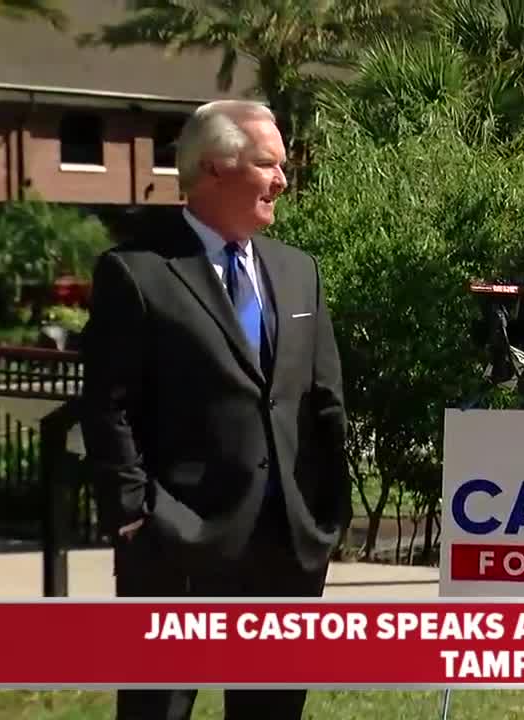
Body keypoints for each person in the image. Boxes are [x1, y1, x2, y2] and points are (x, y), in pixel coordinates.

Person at [80, 100, 352, 720]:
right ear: (214, 169)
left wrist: (327, 514)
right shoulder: (138, 273)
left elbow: (325, 400)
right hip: (177, 543)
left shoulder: (297, 271)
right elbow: (106, 408)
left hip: (287, 548)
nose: (283, 180)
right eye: (268, 164)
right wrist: (134, 516)